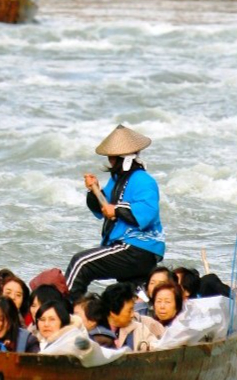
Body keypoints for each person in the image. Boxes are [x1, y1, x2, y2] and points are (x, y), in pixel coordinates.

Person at [64, 124, 165, 301]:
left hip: (137, 249)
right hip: (131, 250)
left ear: (123, 158)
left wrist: (117, 211)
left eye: (112, 158)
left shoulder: (144, 180)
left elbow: (147, 213)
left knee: (81, 264)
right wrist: (93, 190)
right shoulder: (117, 180)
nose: (110, 162)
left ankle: (65, 311)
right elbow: (103, 208)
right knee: (129, 296)